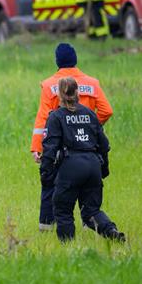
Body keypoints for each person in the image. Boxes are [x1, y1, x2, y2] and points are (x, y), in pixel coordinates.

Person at [31, 43, 113, 232]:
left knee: (53, 187)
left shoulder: (49, 84)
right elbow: (106, 111)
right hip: (89, 149)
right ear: (76, 60)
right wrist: (90, 128)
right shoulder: (92, 83)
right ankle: (90, 225)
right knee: (87, 192)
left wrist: (38, 148)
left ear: (57, 62)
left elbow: (43, 119)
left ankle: (47, 227)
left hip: (62, 149)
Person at [41, 77, 125, 243]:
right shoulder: (90, 114)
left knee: (63, 209)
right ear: (77, 92)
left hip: (70, 166)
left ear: (60, 94)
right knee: (91, 211)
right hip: (93, 165)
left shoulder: (56, 117)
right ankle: (112, 232)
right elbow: (104, 144)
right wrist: (104, 169)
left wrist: (46, 174)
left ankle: (68, 247)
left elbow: (50, 149)